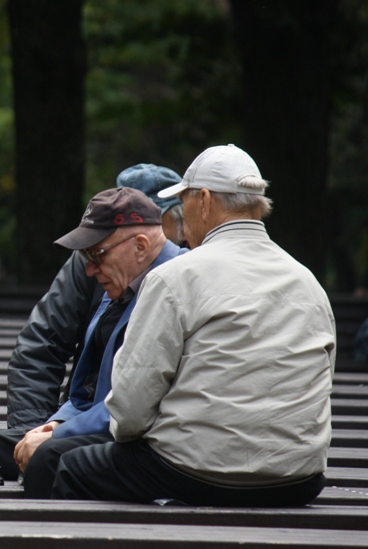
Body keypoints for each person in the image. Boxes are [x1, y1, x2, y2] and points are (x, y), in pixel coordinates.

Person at [52, 144, 336, 507]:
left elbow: (129, 415)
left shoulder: (175, 277)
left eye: (183, 202)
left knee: (68, 465)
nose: (179, 217)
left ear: (203, 200)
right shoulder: (309, 283)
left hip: (196, 473)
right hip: (299, 479)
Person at [0, 186, 186, 498]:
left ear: (140, 246)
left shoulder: (176, 282)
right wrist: (48, 426)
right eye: (85, 256)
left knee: (47, 460)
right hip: (102, 424)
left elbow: (142, 402)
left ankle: (41, 541)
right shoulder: (123, 279)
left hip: (148, 438)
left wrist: (59, 433)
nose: (88, 269)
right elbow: (81, 386)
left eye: (97, 254)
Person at [5, 164, 185, 433]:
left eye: (156, 219)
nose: (148, 230)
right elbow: (41, 346)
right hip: (85, 419)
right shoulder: (91, 259)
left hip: (144, 432)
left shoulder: (193, 268)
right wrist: (32, 433)